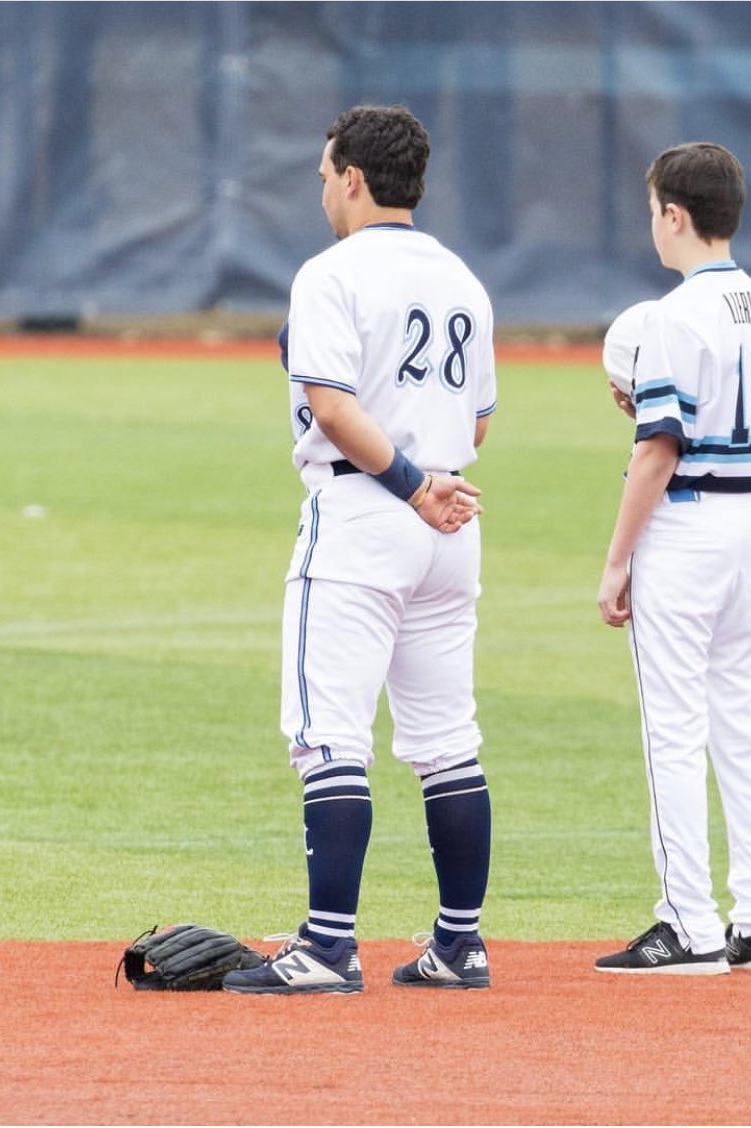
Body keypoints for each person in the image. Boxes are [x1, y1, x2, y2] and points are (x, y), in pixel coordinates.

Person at [223, 104, 497, 996]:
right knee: (447, 742)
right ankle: (459, 946)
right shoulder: (461, 278)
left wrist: (409, 485)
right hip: (451, 521)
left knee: (328, 737)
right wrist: (428, 484)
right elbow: (476, 423)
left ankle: (328, 949)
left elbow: (335, 410)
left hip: (368, 510)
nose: (321, 191)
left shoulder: (330, 272)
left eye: (324, 175)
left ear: (353, 177)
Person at [595, 142, 751, 975]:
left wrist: (618, 560)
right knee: (741, 727)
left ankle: (687, 924)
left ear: (675, 216)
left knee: (674, 731)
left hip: (685, 531)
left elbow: (658, 448)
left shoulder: (675, 316)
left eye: (654, 209)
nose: (652, 222)